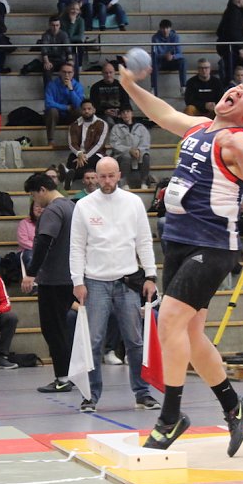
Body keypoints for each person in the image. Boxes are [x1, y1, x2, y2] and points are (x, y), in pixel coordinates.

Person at [119, 61, 243, 454]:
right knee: (189, 332)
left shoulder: (238, 139)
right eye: (237, 87)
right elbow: (162, 112)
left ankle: (171, 417)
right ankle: (233, 405)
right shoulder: (200, 126)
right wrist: (129, 86)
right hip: (179, 240)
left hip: (213, 245)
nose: (237, 91)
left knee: (167, 319)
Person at [69, 157, 159, 413]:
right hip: (95, 282)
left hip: (128, 281)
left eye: (111, 176)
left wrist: (151, 275)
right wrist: (78, 281)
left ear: (119, 175)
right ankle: (90, 395)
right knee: (93, 342)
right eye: (102, 177)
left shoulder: (133, 203)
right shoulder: (83, 206)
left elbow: (144, 241)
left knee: (135, 340)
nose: (107, 181)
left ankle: (142, 393)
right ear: (95, 177)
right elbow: (76, 246)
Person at [21, 173, 76, 394]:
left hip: (53, 279)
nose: (35, 201)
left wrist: (31, 273)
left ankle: (62, 377)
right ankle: (69, 375)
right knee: (63, 329)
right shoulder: (72, 206)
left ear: (42, 190)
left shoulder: (52, 210)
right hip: (70, 277)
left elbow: (44, 240)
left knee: (53, 329)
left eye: (34, 195)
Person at [63, 99, 108, 188]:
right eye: (84, 109)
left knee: (89, 161)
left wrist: (85, 156)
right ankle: (69, 175)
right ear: (81, 110)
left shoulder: (102, 124)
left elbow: (99, 144)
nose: (86, 111)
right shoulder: (74, 125)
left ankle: (69, 175)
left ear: (94, 110)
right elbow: (72, 143)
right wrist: (79, 153)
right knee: (72, 157)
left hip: (96, 154)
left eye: (89, 109)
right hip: (79, 154)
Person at [109, 105, 151, 188]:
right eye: (123, 112)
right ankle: (124, 183)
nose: (125, 114)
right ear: (120, 115)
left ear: (132, 113)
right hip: (121, 155)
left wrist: (139, 150)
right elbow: (115, 144)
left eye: (128, 112)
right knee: (126, 156)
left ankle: (144, 182)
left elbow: (145, 142)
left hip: (138, 154)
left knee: (146, 156)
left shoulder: (141, 127)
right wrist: (129, 150)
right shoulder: (116, 128)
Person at [44, 63, 83, 147]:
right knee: (52, 111)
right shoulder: (52, 85)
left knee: (80, 111)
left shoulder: (77, 86)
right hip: (56, 115)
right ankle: (50, 140)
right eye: (64, 72)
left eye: (69, 72)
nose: (66, 75)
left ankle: (77, 141)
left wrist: (71, 90)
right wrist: (66, 107)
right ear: (60, 73)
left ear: (73, 74)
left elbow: (79, 105)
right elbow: (48, 103)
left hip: (71, 116)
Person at [151, 19, 186, 96]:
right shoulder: (155, 38)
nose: (165, 30)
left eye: (167, 28)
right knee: (154, 63)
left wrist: (173, 57)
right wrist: (164, 56)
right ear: (160, 29)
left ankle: (183, 86)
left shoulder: (175, 37)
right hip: (160, 62)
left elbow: (180, 53)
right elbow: (154, 54)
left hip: (172, 61)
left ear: (170, 28)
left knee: (182, 61)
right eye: (163, 28)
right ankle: (153, 89)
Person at [216, 0, 243, 82]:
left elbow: (219, 30)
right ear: (239, 1)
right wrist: (240, 48)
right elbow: (233, 32)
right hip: (231, 48)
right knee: (230, 72)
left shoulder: (228, 11)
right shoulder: (235, 13)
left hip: (225, 46)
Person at [40, 15, 72, 85]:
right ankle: (48, 93)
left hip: (62, 60)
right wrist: (46, 62)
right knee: (46, 70)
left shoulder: (64, 34)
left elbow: (68, 49)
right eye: (53, 25)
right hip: (51, 60)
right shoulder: (45, 35)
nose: (55, 28)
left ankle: (70, 89)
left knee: (70, 69)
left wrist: (70, 60)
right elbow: (44, 50)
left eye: (57, 25)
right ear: (49, 25)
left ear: (60, 25)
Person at [60, 0, 86, 73]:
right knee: (67, 44)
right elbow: (65, 36)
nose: (75, 11)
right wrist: (72, 22)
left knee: (80, 45)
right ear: (68, 9)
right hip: (64, 42)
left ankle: (79, 66)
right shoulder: (62, 20)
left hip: (75, 42)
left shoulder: (81, 20)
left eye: (77, 9)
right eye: (73, 9)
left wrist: (73, 22)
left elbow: (80, 37)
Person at [17, 199, 44, 270]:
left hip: (46, 250)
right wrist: (39, 248)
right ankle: (33, 280)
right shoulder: (24, 223)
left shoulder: (50, 222)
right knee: (32, 258)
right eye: (37, 206)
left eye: (42, 206)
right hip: (28, 250)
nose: (40, 209)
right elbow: (23, 241)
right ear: (32, 209)